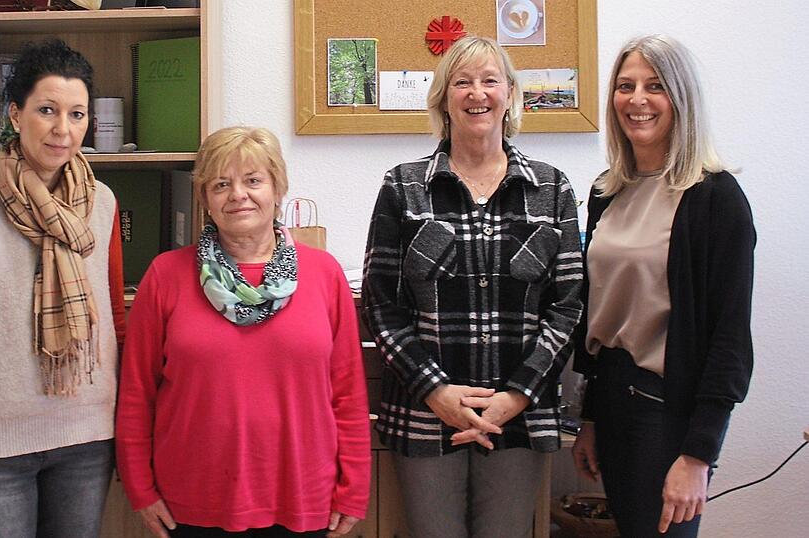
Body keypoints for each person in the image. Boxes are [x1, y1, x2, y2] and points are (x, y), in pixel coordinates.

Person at [362, 35, 584, 538]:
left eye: (490, 80)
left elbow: (568, 305)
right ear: (443, 99)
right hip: (425, 411)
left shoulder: (552, 188)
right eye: (462, 82)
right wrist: (435, 390)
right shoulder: (403, 186)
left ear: (510, 95)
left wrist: (518, 394)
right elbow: (381, 304)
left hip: (520, 415)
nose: (476, 93)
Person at [116, 126, 371, 538]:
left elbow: (348, 394)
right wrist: (139, 488)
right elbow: (136, 394)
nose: (238, 194)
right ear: (205, 199)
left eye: (253, 180)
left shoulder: (324, 275)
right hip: (192, 500)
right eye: (221, 184)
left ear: (277, 190)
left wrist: (354, 489)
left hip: (304, 498)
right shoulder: (165, 275)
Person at [0, 39, 126, 537]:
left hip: (87, 440)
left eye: (77, 114)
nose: (63, 130)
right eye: (47, 111)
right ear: (15, 114)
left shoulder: (102, 204)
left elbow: (115, 320)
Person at [570, 34, 756, 537]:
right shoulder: (608, 190)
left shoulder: (715, 198)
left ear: (682, 98)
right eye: (625, 86)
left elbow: (730, 337)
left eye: (655, 86)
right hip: (610, 399)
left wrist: (698, 455)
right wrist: (589, 418)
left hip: (667, 412)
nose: (637, 100)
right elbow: (602, 313)